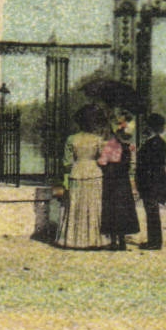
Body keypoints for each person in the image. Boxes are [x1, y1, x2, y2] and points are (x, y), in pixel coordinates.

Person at [56, 104, 106, 250]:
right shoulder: (98, 139)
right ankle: (93, 239)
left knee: (75, 206)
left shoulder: (71, 139)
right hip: (94, 173)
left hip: (76, 173)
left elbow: (66, 162)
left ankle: (74, 240)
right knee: (93, 206)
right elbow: (103, 160)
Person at [98, 112, 140, 251]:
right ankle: (122, 240)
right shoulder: (130, 147)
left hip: (111, 178)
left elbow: (102, 161)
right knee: (123, 208)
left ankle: (114, 240)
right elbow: (132, 164)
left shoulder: (110, 144)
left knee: (111, 208)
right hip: (123, 179)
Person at [136, 113, 166, 250]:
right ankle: (154, 240)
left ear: (151, 127)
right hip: (153, 181)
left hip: (150, 181)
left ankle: (155, 241)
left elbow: (154, 165)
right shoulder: (157, 142)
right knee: (152, 211)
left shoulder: (154, 143)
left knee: (152, 211)